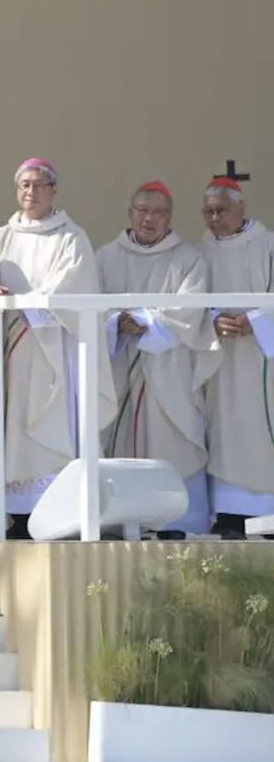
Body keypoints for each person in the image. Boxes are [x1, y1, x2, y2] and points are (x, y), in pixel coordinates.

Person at [0, 158, 115, 537]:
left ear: (53, 190)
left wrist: (27, 304)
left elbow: (73, 284)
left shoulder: (71, 236)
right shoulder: (3, 236)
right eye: (23, 185)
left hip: (56, 349)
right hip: (15, 353)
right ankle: (21, 515)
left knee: (55, 425)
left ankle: (59, 509)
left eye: (38, 185)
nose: (30, 193)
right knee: (17, 426)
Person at [95, 181, 214, 538]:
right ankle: (120, 520)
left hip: (169, 374)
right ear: (130, 213)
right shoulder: (105, 258)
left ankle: (178, 523)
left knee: (173, 443)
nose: (150, 219)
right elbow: (89, 308)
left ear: (170, 218)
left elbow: (190, 313)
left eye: (159, 213)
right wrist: (116, 323)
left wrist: (143, 322)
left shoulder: (189, 259)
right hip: (120, 371)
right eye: (143, 211)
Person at [196, 175, 274, 537]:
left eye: (221, 210)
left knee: (259, 430)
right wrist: (213, 319)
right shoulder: (202, 251)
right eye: (208, 211)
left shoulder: (268, 246)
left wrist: (254, 322)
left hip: (261, 361)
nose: (214, 218)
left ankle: (267, 511)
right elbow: (192, 302)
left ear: (241, 208)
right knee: (223, 429)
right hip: (220, 359)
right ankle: (228, 512)